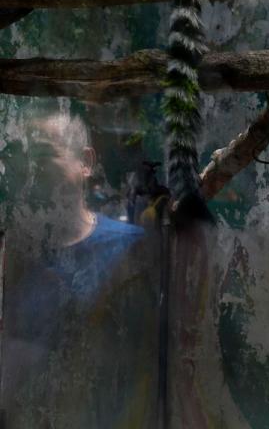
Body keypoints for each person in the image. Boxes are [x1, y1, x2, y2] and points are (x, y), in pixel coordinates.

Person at [1, 110, 158, 427]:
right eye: (20, 157)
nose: (29, 170)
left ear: (85, 162)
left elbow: (145, 366)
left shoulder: (131, 248)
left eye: (43, 155)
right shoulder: (14, 249)